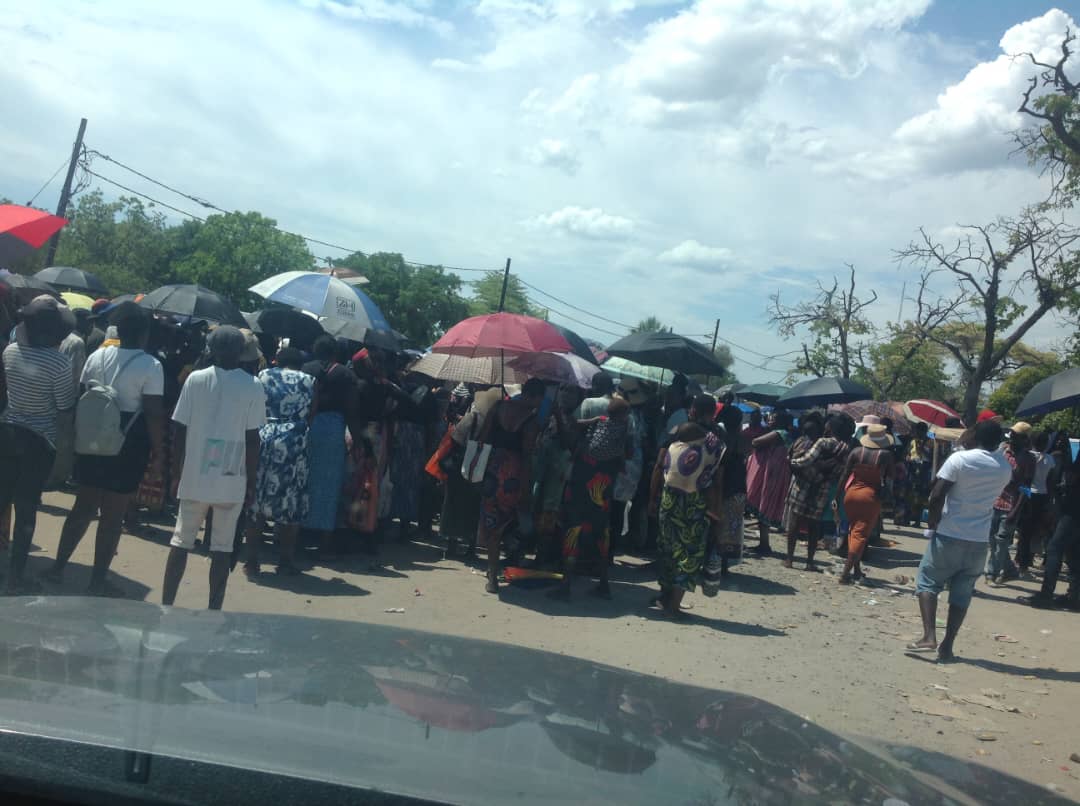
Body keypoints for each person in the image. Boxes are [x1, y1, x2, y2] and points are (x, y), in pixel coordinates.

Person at [45, 303, 166, 595]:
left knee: (82, 507)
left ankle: (58, 567)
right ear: (145, 333)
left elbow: (83, 396)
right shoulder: (151, 366)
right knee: (113, 516)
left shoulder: (97, 355)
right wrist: (160, 453)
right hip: (127, 443)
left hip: (91, 439)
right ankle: (98, 580)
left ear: (118, 331)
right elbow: (152, 412)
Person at [162, 326, 266, 610]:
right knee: (222, 548)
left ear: (211, 349)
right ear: (243, 353)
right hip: (232, 479)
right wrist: (252, 482)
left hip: (194, 475)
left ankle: (166, 604)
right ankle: (213, 609)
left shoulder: (195, 379)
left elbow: (179, 430)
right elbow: (252, 440)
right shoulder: (253, 386)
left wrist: (175, 473)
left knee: (181, 541)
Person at [909, 420, 1011, 662]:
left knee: (927, 582)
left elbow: (936, 494)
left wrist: (932, 523)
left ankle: (929, 636)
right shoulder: (1004, 467)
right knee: (962, 594)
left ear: (976, 435)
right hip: (979, 540)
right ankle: (947, 645)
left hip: (950, 533)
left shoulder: (960, 459)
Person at [0, 296, 78, 593]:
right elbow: (64, 406)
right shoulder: (59, 363)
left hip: (6, 434)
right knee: (26, 510)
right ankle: (15, 577)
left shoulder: (10, 352)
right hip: (38, 442)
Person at [648, 394, 724, 619]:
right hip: (697, 501)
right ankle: (674, 604)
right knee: (690, 552)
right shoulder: (717, 439)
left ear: (692, 409)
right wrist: (717, 511)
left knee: (667, 548)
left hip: (669, 498)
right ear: (713, 413)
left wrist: (652, 498)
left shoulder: (677, 432)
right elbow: (718, 480)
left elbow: (659, 464)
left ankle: (664, 595)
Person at [549, 396, 631, 601]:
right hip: (601, 495)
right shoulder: (623, 435)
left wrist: (591, 420)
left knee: (572, 533)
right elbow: (625, 460)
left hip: (579, 490)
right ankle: (603, 584)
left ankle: (566, 585)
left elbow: (573, 427)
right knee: (601, 536)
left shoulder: (596, 427)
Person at [243, 347, 315, 578]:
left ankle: (251, 561)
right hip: (293, 443)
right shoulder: (309, 380)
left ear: (277, 361)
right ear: (299, 364)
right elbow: (311, 413)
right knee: (290, 503)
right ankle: (285, 561)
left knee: (256, 500)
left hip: (262, 437)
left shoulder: (263, 375)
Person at [477, 378, 544, 594]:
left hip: (491, 471)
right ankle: (501, 568)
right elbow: (526, 457)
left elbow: (482, 438)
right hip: (513, 476)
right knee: (509, 524)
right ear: (535, 396)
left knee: (492, 524)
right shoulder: (531, 420)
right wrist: (525, 489)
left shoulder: (498, 407)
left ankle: (492, 574)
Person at [301, 336, 354, 550]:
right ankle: (325, 543)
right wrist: (357, 440)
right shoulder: (345, 374)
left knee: (304, 481)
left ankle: (298, 537)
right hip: (333, 430)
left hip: (306, 426)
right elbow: (352, 409)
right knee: (330, 486)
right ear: (335, 353)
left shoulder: (305, 369)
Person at [783, 413, 854, 572]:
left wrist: (790, 461)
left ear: (831, 427)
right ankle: (810, 562)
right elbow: (841, 472)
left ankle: (789, 559)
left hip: (804, 485)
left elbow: (806, 460)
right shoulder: (845, 448)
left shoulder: (823, 442)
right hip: (823, 489)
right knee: (814, 526)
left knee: (794, 521)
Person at [1023, 437, 1080, 611]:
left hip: (1073, 509)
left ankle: (1047, 594)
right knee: (1074, 552)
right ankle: (1074, 596)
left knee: (1055, 549)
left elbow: (1072, 479)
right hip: (1073, 509)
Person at [834, 423, 895, 584]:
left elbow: (844, 475)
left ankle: (857, 570)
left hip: (851, 495)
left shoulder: (855, 452)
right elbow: (891, 476)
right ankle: (845, 574)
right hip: (870, 498)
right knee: (860, 535)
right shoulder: (885, 455)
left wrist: (836, 496)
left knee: (853, 531)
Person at [985, 421, 1034, 584]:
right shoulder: (1003, 451)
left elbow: (1026, 487)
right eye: (1012, 434)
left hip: (1011, 505)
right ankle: (1010, 570)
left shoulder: (1028, 459)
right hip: (994, 500)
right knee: (993, 540)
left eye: (1017, 436)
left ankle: (991, 573)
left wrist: (1016, 510)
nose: (1012, 438)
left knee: (1001, 540)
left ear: (1024, 439)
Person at [745, 410, 794, 555]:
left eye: (773, 418)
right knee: (764, 506)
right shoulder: (782, 433)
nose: (770, 420)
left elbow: (756, 442)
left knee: (765, 504)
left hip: (773, 474)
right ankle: (763, 543)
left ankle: (764, 545)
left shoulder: (780, 432)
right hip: (773, 472)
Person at [1016, 430, 1055, 575]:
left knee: (1024, 531)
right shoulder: (1050, 459)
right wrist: (1050, 501)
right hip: (1042, 496)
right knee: (1035, 531)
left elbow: (1024, 479)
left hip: (1027, 494)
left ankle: (1022, 562)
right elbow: (1050, 482)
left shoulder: (1027, 456)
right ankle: (1027, 560)